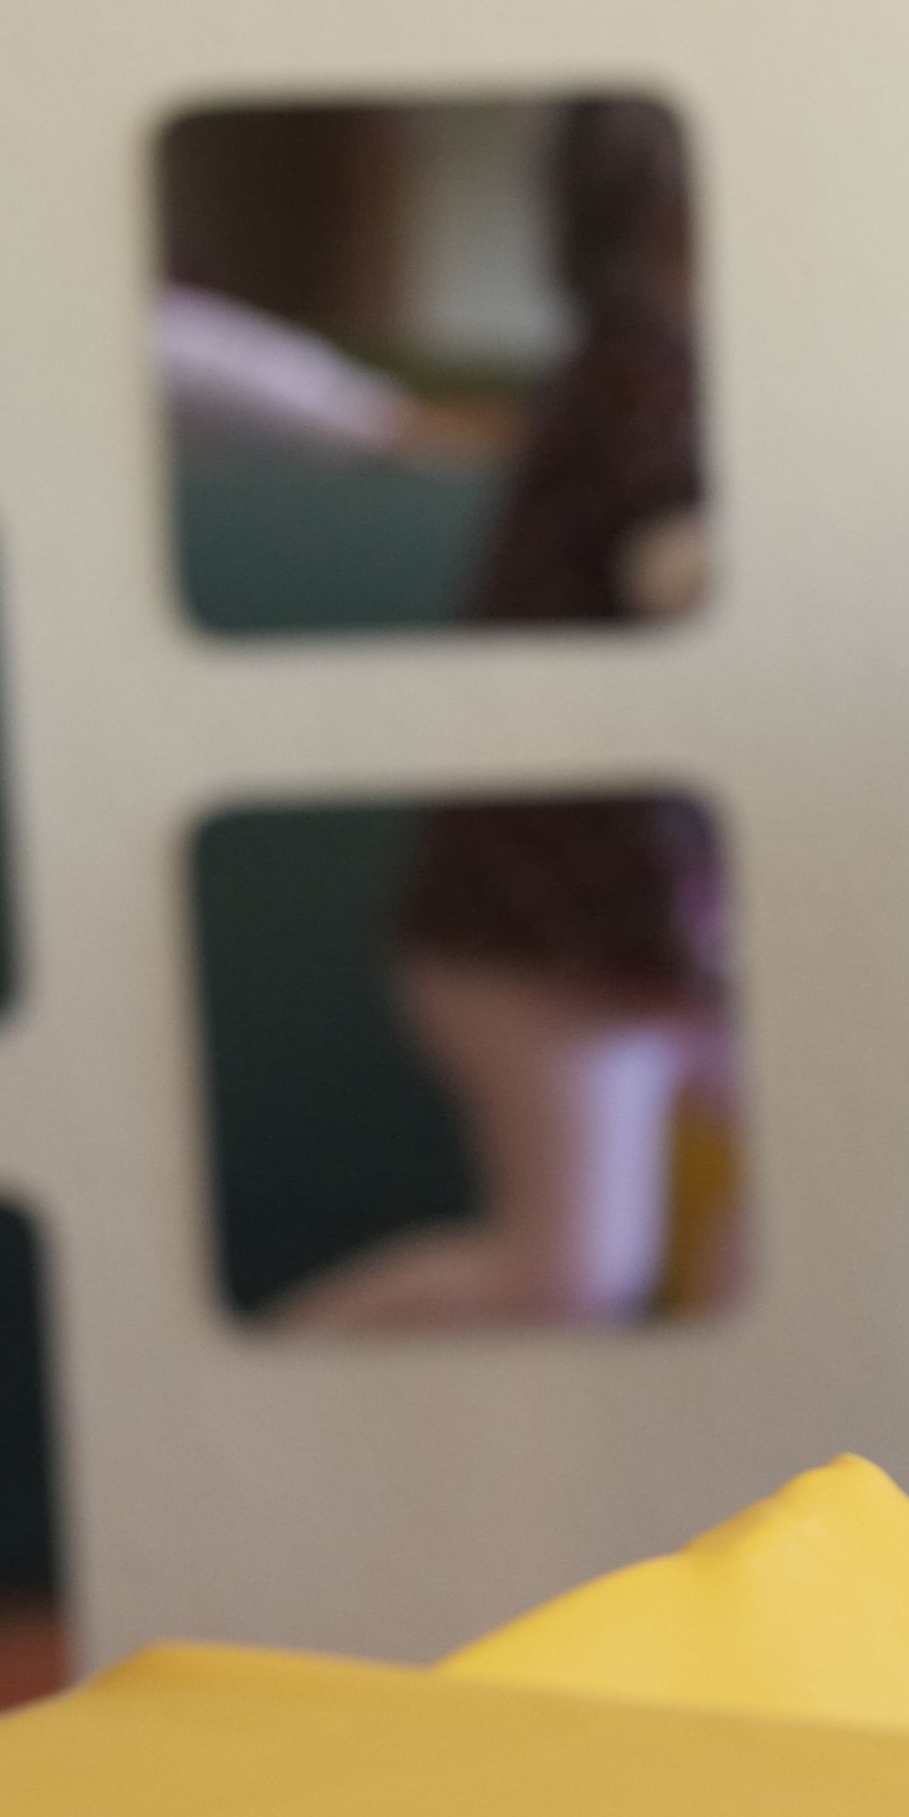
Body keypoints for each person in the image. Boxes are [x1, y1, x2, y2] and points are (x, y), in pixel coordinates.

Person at [277, 100, 737, 1329]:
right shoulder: (639, 369)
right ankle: (293, 1375)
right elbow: (674, 574)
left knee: (770, 1214)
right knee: (569, 1271)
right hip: (534, 945)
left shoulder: (663, 368)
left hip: (633, 935)